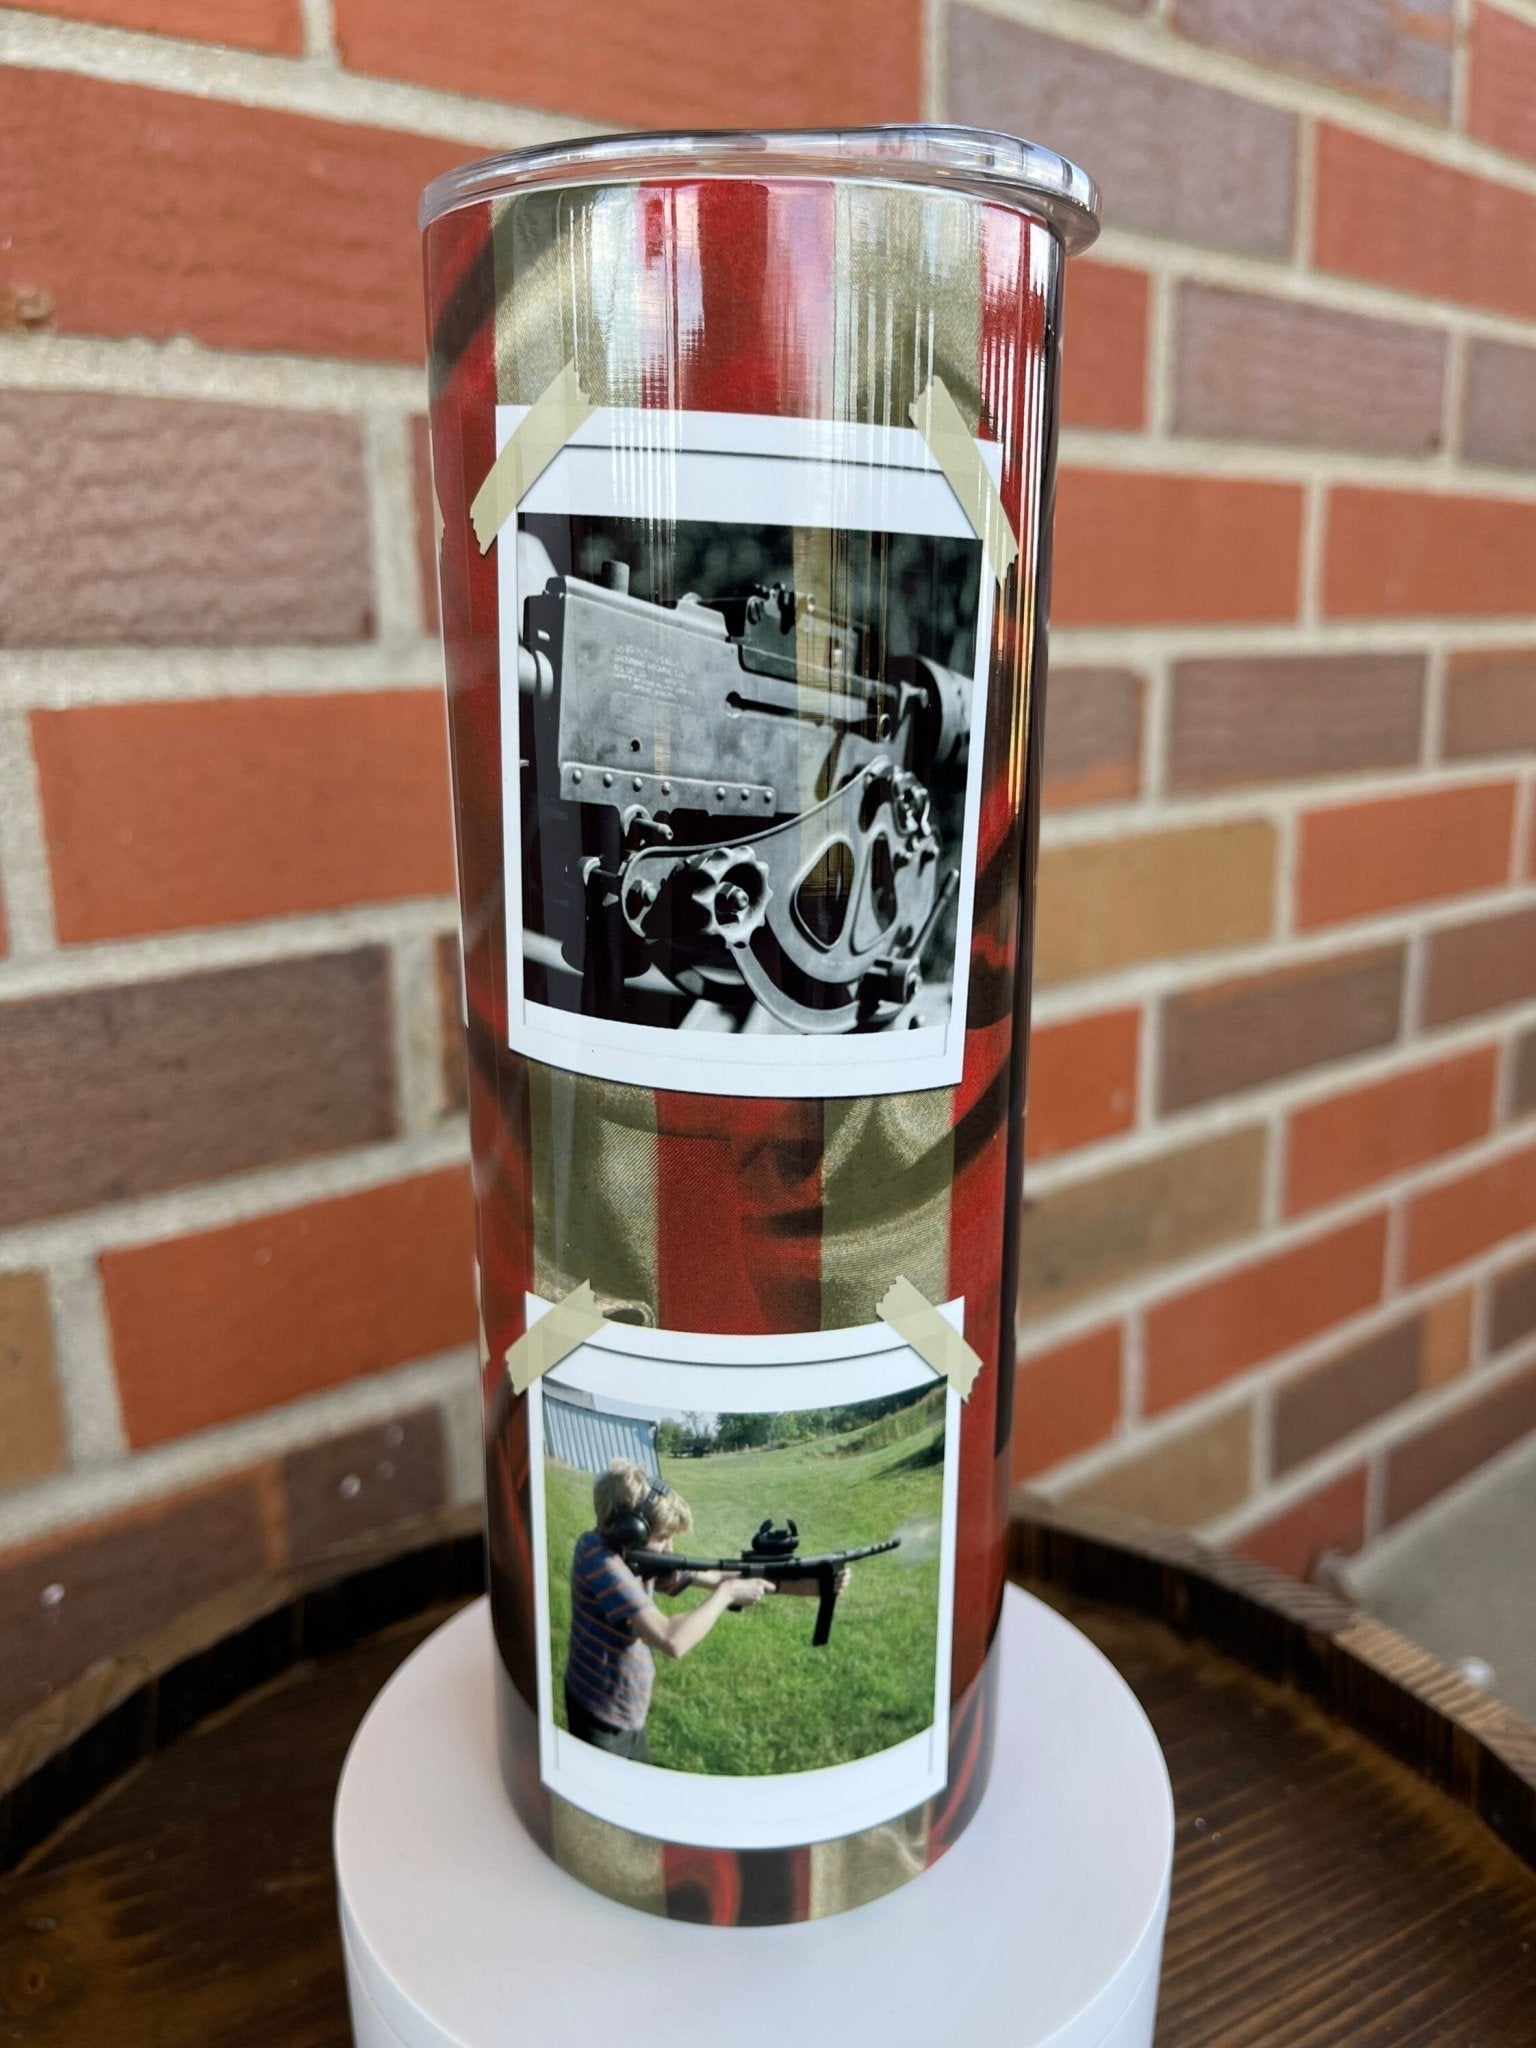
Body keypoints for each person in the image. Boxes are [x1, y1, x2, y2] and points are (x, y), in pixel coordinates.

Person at [562, 1459, 847, 1762]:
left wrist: (813, 1586)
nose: (670, 1549)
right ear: (630, 1532)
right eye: (663, 1538)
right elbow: (672, 1639)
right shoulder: (599, 1558)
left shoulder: (634, 1556)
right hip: (599, 1715)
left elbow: (716, 1576)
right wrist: (727, 1595)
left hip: (630, 1709)